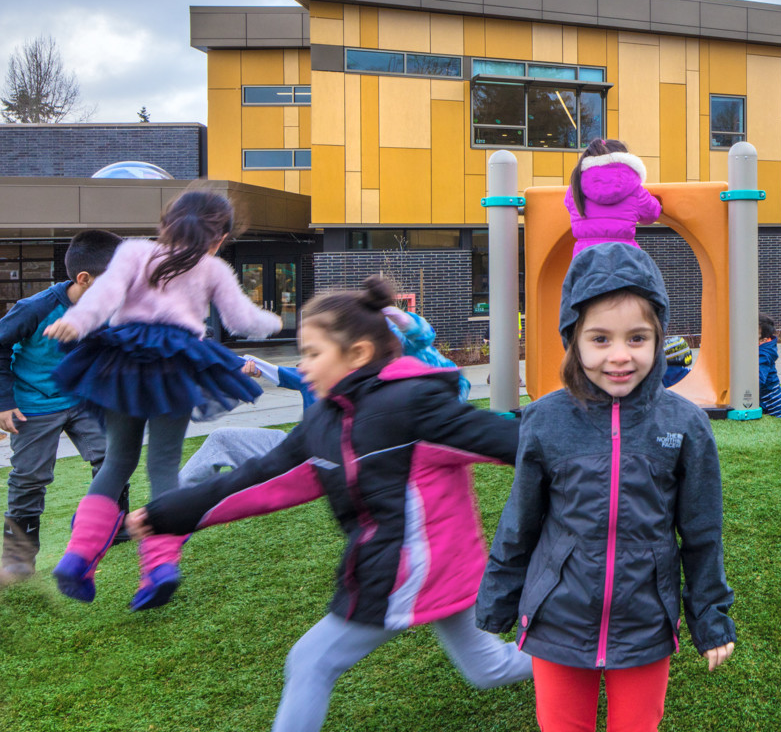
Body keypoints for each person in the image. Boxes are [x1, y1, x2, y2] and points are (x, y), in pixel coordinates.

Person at [128, 276, 530, 732]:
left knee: (312, 659)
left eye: (313, 353)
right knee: (486, 668)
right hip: (436, 570)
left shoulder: (412, 407)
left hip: (407, 573)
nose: (305, 366)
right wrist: (165, 515)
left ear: (358, 353)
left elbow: (511, 442)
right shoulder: (324, 421)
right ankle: (579, 652)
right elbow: (258, 479)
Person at [477, 243, 735, 732]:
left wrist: (710, 614)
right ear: (573, 337)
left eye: (636, 339)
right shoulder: (544, 419)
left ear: (659, 339)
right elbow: (520, 521)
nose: (619, 356)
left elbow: (701, 531)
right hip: (558, 619)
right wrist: (497, 600)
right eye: (600, 339)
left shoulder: (685, 424)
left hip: (644, 619)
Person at [45, 190, 283, 610]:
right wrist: (275, 319)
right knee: (163, 465)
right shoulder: (212, 267)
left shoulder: (134, 251)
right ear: (220, 237)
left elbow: (104, 296)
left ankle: (78, 555)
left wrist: (75, 321)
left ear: (165, 223)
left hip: (121, 358)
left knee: (118, 460)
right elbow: (242, 320)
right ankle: (159, 567)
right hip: (173, 365)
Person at [178, 306, 471, 488]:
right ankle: (169, 507)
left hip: (321, 464)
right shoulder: (316, 373)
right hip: (295, 451)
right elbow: (278, 372)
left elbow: (439, 370)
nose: (310, 361)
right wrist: (247, 366)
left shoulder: (386, 387)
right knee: (221, 439)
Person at [0, 230, 122, 585]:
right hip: (34, 403)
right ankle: (18, 558)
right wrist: (4, 402)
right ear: (84, 279)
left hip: (84, 400)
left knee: (113, 458)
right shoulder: (35, 309)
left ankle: (107, 527)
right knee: (30, 479)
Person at [565, 138, 662, 257]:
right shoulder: (634, 189)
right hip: (623, 258)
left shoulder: (575, 187)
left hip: (585, 260)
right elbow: (651, 214)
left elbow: (570, 207)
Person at [758, 315, 781, 419]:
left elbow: (759, 379)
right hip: (767, 399)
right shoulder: (763, 349)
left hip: (772, 404)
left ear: (763, 340)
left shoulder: (763, 354)